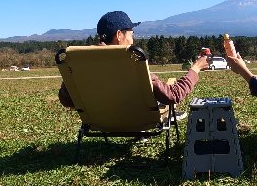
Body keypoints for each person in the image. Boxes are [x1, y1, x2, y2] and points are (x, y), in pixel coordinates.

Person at [58, 11, 209, 115]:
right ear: (119, 35)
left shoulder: (78, 62)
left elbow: (66, 100)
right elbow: (173, 95)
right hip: (137, 121)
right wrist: (195, 68)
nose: (133, 39)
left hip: (98, 121)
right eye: (131, 33)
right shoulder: (131, 62)